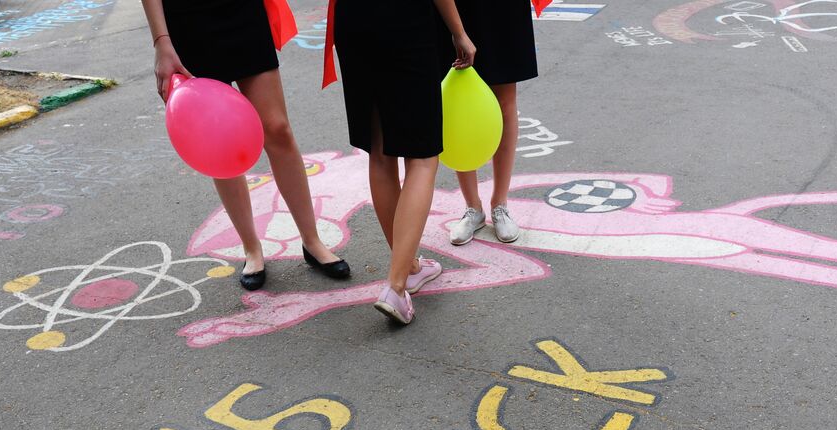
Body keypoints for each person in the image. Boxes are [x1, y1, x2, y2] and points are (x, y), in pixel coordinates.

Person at [143, 0, 350, 291]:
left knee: (277, 128)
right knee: (219, 140)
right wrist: (161, 42)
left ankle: (312, 241)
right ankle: (252, 248)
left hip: (243, 12)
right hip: (188, 23)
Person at [326, 0, 475, 324]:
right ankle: (396, 284)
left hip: (353, 22)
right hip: (403, 21)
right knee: (422, 159)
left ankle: (407, 268)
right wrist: (459, 31)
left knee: (380, 154)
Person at [448, 0, 541, 246]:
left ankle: (500, 204)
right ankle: (473, 208)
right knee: (459, 98)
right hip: (456, 7)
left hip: (504, 9)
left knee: (505, 101)